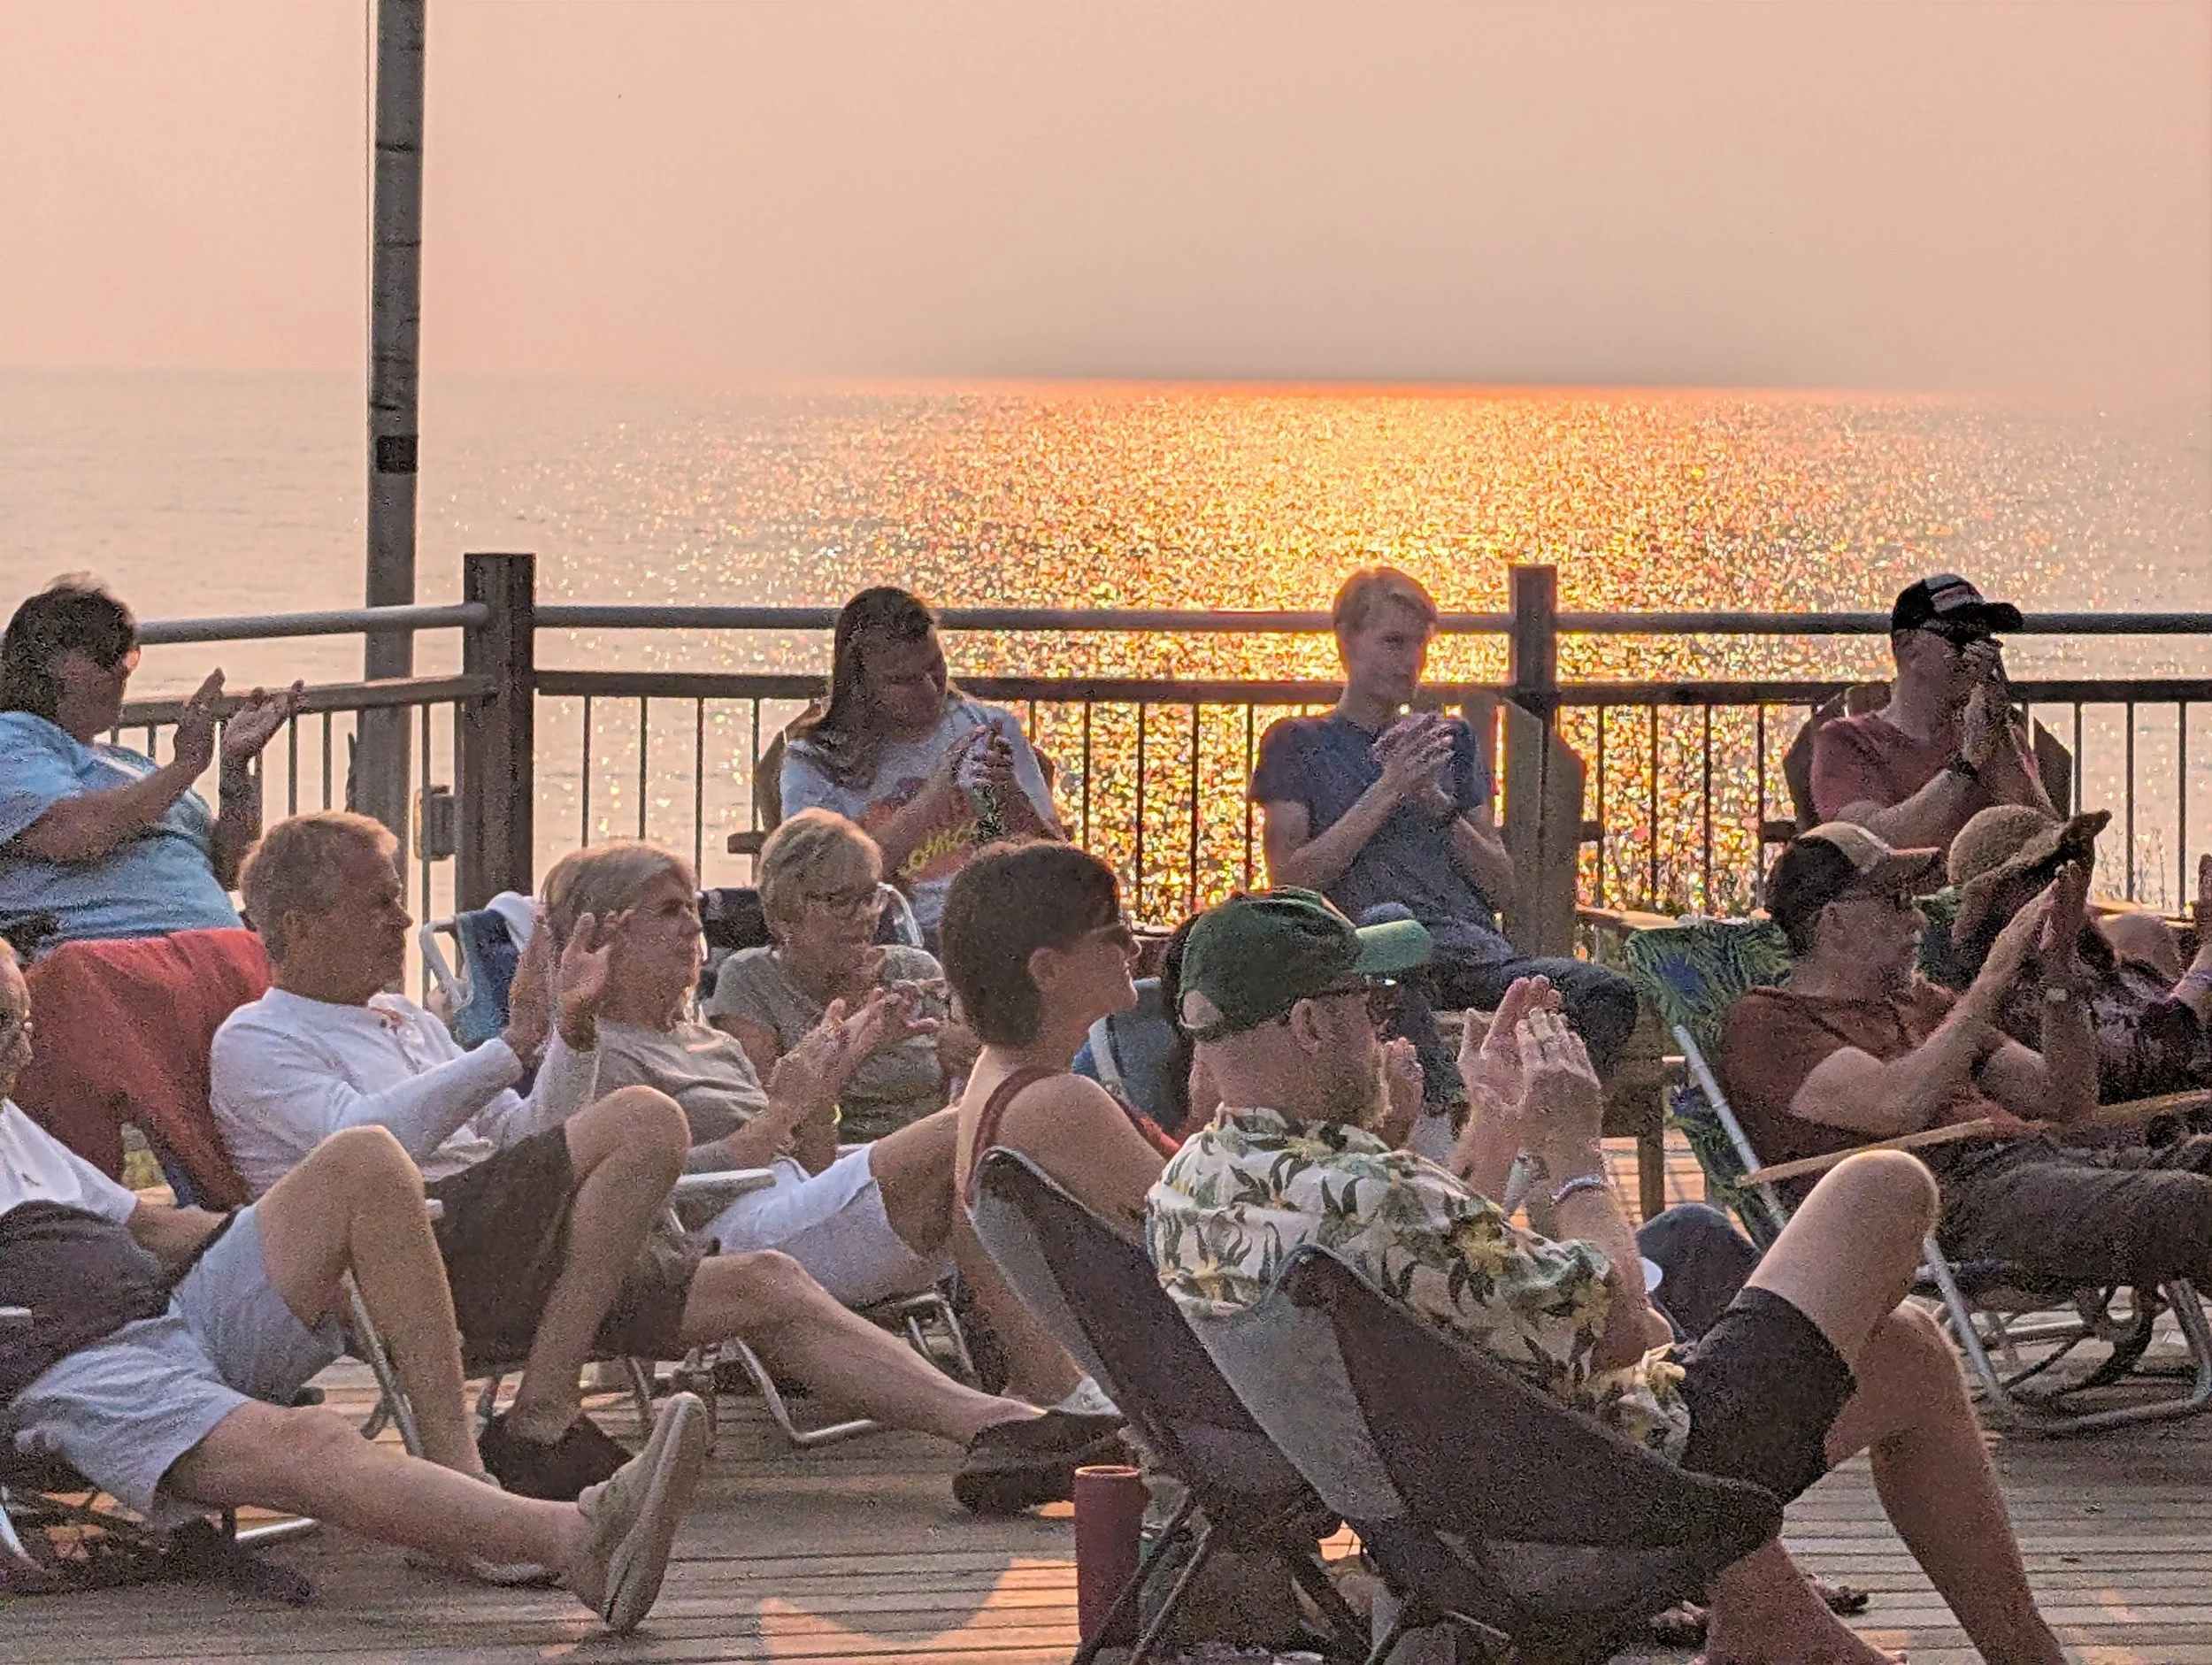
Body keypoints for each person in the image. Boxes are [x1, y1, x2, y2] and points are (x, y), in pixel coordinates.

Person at [1148, 889, 2067, 1665]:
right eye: (1370, 1004)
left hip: (1457, 1514)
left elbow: (1440, 1273)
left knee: (1906, 1347)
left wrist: (1500, 1122)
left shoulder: (1195, 1187)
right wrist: (1575, 1152)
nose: (1384, 1026)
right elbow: (1631, 1325)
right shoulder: (1359, 1192)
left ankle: (1830, 1626)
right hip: (1611, 1495)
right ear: (1311, 1023)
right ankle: (1843, 1626)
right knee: (1881, 1187)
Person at [209, 812, 1121, 1512]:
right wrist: (509, 1043)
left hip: (547, 1243)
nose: (402, 917)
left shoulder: (403, 1019)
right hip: (419, 1255)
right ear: (298, 922)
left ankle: (1002, 1431)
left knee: (763, 1281)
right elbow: (361, 1149)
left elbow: (535, 1136)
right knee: (645, 1117)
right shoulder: (256, 1040)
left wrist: (562, 1035)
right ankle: (542, 1413)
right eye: (379, 901)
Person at [0, 940, 707, 1633]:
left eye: (27, 1025)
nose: (25, 1052)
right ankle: (572, 1539)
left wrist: (302, 1249)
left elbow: (154, 1228)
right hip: (69, 1363)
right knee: (306, 1439)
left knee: (364, 1160)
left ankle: (461, 1486)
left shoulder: (10, 1122)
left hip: (170, 1309)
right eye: (7, 1025)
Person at [541, 836, 1094, 1408]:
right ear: (607, 934)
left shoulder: (704, 1040)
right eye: (668, 911)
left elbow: (807, 1162)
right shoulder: (597, 1052)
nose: (693, 926)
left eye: (691, 907)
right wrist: (782, 1109)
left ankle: (1047, 1374)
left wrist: (833, 1075)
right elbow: (630, 1190)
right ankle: (1054, 1379)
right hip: (717, 1247)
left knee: (987, 1144)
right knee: (973, 1125)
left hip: (788, 1208)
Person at [1720, 822, 2212, 1296]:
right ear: (1834, 921)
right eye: (1898, 902)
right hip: (1946, 1206)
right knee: (2191, 1205)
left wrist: (2058, 973)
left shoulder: (1924, 1003)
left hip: (2042, 1167)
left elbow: (2064, 1099)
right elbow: (1898, 1104)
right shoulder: (1768, 1023)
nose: (1918, 919)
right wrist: (1999, 966)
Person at [1250, 567, 1637, 1099]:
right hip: (1373, 966)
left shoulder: (1451, 744)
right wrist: (1387, 789)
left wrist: (1435, 802)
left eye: (1419, 646)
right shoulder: (1298, 744)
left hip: (1472, 959)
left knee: (1604, 991)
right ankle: (1436, 1117)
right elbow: (1291, 881)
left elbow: (1502, 886)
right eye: (1392, 642)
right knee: (1393, 927)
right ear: (1345, 640)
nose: (1409, 661)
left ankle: (1531, 1139)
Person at [0, 579, 302, 946]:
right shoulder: (12, 738)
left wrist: (234, 768)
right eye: (105, 653)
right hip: (111, 960)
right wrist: (186, 766)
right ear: (46, 662)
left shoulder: (133, 767)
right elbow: (71, 834)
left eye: (129, 655)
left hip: (213, 954)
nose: (123, 671)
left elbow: (231, 868)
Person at [779, 587, 1061, 944]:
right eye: (904, 680)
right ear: (860, 685)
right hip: (886, 938)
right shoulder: (816, 761)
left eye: (935, 666)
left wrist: (1012, 799)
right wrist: (936, 795)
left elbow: (1059, 863)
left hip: (1000, 933)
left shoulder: (989, 729)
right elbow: (819, 885)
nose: (930, 689)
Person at [940, 842, 1195, 1234]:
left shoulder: (996, 1071)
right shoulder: (1060, 1102)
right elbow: (1205, 1233)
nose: (1135, 946)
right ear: (1047, 970)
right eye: (1115, 932)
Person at [705, 809, 975, 1144]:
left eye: (870, 898)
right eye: (841, 901)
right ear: (785, 910)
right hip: (825, 1166)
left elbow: (965, 1082)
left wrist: (967, 1052)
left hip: (930, 1151)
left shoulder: (914, 970)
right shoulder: (752, 980)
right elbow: (767, 1113)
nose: (863, 917)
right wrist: (860, 1044)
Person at [1944, 805, 2212, 1104]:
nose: (2068, 878)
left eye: (2069, 862)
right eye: (2048, 871)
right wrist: (2208, 955)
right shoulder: (2019, 994)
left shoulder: (2096, 960)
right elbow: (2147, 1060)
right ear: (2001, 898)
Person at [1809, 573, 2053, 852]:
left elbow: (2044, 838)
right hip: (1895, 894)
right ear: (1906, 645)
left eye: (1986, 641)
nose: (1980, 657)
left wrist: (1996, 733)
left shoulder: (2001, 740)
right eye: (1961, 638)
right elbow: (1871, 845)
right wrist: (1967, 763)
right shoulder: (1847, 742)